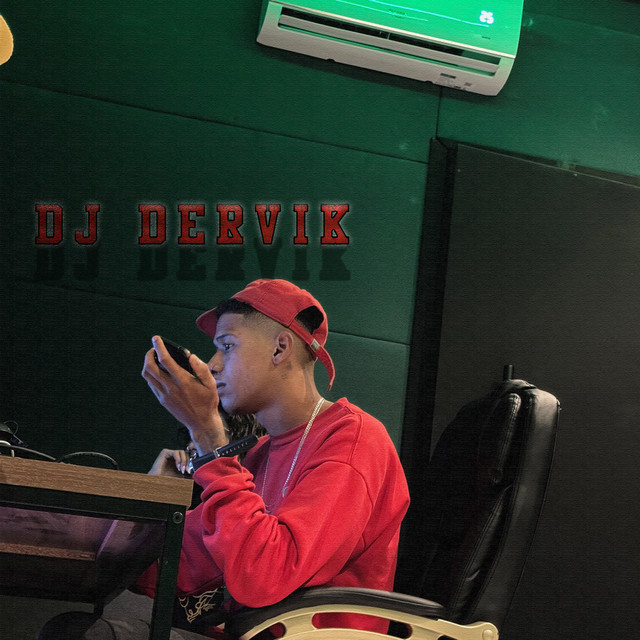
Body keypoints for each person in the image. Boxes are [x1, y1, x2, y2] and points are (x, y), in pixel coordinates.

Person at [41, 278, 409, 639]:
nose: (213, 364)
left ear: (279, 348)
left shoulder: (352, 440)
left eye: (227, 346)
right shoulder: (259, 454)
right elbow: (167, 568)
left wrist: (208, 440)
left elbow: (264, 578)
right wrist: (154, 500)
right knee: (75, 627)